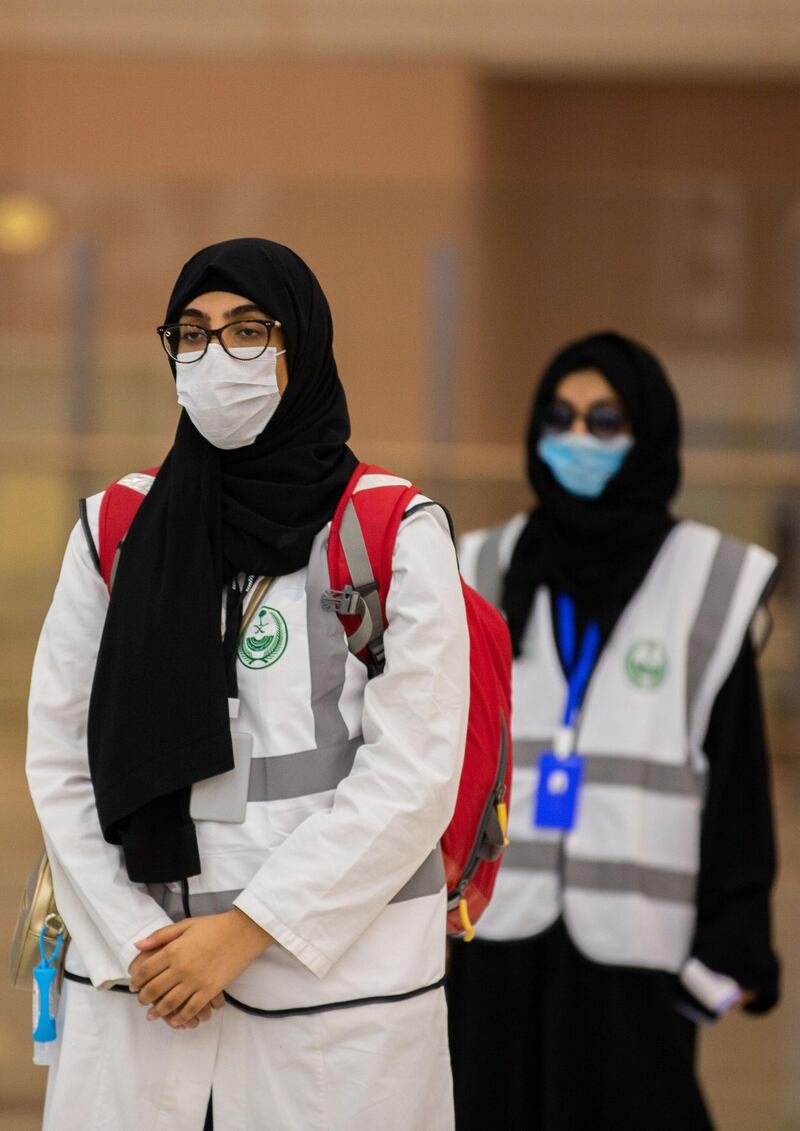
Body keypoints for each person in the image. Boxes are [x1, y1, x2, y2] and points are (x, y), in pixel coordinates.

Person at [26, 238, 470, 1131]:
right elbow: (61, 759)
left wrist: (244, 932)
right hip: (143, 986)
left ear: (297, 347)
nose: (214, 357)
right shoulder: (118, 526)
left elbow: (414, 776)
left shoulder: (389, 527)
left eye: (247, 330)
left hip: (333, 997)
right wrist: (136, 946)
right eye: (190, 334)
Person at [446, 331, 780, 1131]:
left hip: (637, 967)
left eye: (605, 420)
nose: (577, 439)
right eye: (560, 417)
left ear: (649, 435)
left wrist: (723, 961)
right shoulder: (474, 565)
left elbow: (738, 791)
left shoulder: (711, 580)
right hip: (489, 949)